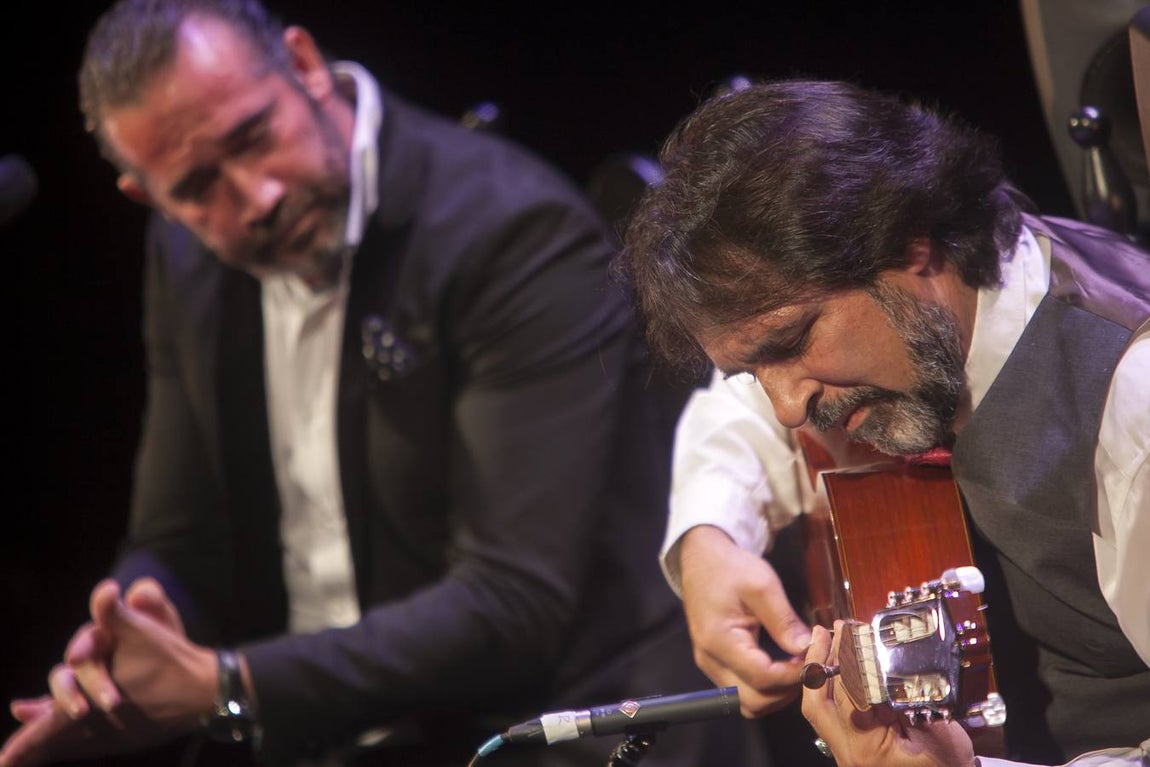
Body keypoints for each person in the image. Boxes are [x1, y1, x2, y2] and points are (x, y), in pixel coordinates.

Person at [0, 2, 768, 766]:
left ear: (304, 65)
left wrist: (224, 684)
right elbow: (176, 531)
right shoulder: (185, 253)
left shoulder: (511, 229)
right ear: (149, 196)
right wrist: (133, 628)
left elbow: (514, 601)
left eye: (255, 135)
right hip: (342, 729)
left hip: (550, 728)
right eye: (198, 185)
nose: (256, 196)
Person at [615, 78, 1149, 767]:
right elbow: (737, 403)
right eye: (754, 370)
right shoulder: (928, 319)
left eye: (791, 342)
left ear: (910, 245)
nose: (785, 409)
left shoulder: (1131, 408)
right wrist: (708, 536)